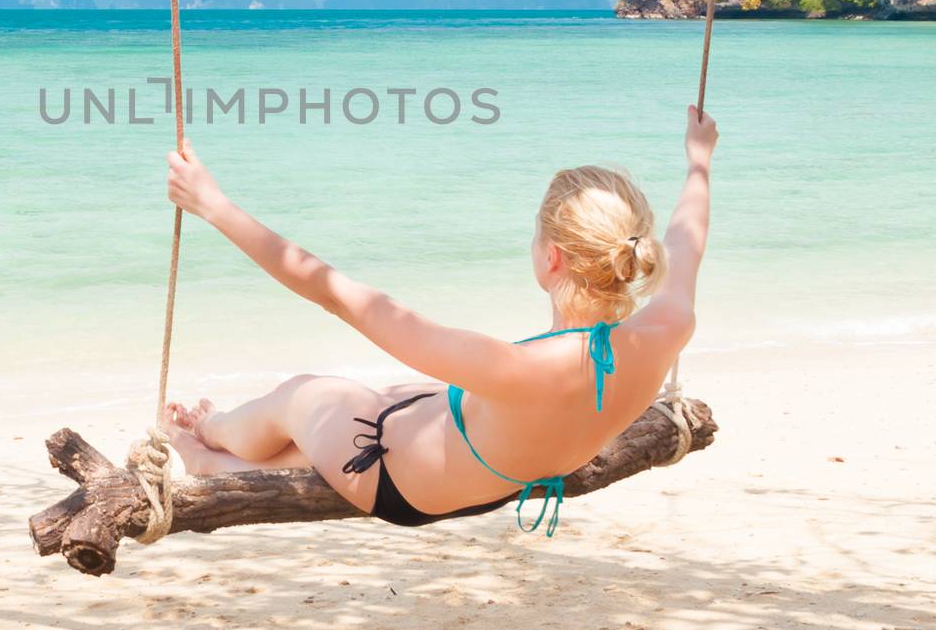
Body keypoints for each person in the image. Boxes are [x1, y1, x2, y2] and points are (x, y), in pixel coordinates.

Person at [160, 105, 717, 532]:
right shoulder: (667, 328)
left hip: (399, 490)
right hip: (495, 481)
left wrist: (213, 205)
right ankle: (226, 451)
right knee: (397, 395)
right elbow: (687, 239)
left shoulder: (516, 369)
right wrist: (699, 162)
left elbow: (332, 291)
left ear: (552, 257)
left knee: (305, 394)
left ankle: (210, 437)